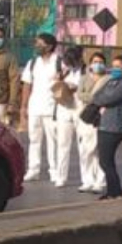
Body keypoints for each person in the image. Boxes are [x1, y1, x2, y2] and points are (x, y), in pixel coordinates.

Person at [20, 33, 61, 183]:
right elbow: (26, 85)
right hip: (35, 107)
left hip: (52, 108)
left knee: (53, 140)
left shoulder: (59, 62)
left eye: (40, 43)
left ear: (49, 46)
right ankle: (33, 169)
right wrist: (23, 107)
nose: (37, 46)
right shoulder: (32, 63)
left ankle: (54, 170)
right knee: (34, 139)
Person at [92, 54, 122, 200]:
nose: (114, 69)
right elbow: (96, 95)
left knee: (105, 160)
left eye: (118, 67)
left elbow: (109, 98)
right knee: (105, 160)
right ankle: (113, 190)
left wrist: (102, 100)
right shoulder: (110, 81)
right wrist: (101, 100)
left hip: (114, 127)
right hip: (103, 125)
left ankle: (114, 191)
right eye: (113, 66)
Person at [75, 52, 109, 194]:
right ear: (90, 63)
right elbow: (79, 94)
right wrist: (95, 98)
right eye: (95, 61)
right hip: (85, 116)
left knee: (99, 151)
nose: (97, 64)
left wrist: (92, 98)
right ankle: (87, 180)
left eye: (100, 61)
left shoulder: (108, 79)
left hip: (101, 117)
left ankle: (100, 182)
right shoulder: (84, 78)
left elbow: (108, 97)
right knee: (85, 150)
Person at [52, 46, 84, 188]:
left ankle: (87, 178)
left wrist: (75, 87)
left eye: (71, 61)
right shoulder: (65, 71)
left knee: (83, 145)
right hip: (64, 108)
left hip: (79, 109)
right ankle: (61, 176)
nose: (68, 64)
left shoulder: (85, 71)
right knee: (62, 144)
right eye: (66, 61)